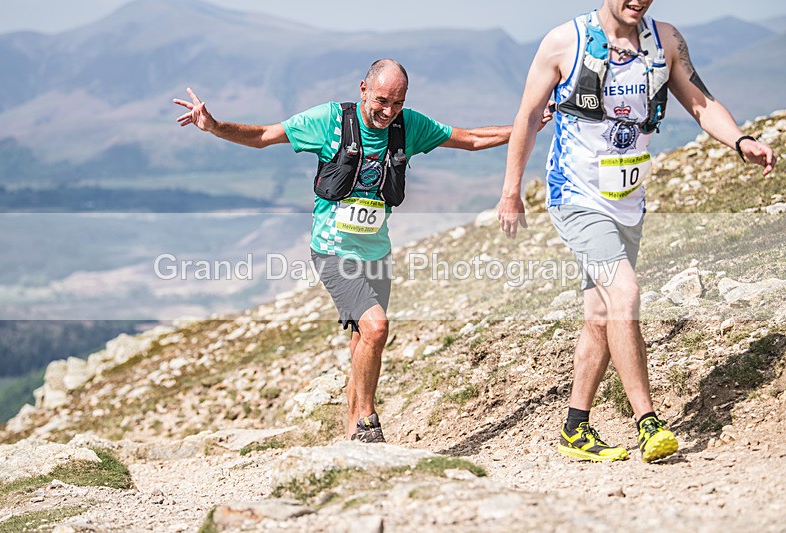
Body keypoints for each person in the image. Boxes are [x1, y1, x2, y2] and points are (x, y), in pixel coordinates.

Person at [175, 58, 547, 443]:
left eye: (398, 103)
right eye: (382, 100)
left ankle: (352, 438)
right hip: (333, 250)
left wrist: (525, 126)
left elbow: (470, 139)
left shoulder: (408, 126)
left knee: (361, 342)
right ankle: (369, 424)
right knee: (376, 328)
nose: (389, 112)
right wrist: (215, 126)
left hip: (376, 253)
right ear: (363, 89)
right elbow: (265, 134)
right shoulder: (329, 120)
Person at [497, 1, 776, 462]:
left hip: (629, 202)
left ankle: (575, 427)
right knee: (624, 293)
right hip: (576, 196)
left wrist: (741, 141)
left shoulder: (664, 40)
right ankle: (648, 422)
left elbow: (700, 103)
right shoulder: (565, 41)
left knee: (601, 314)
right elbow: (527, 116)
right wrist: (511, 191)